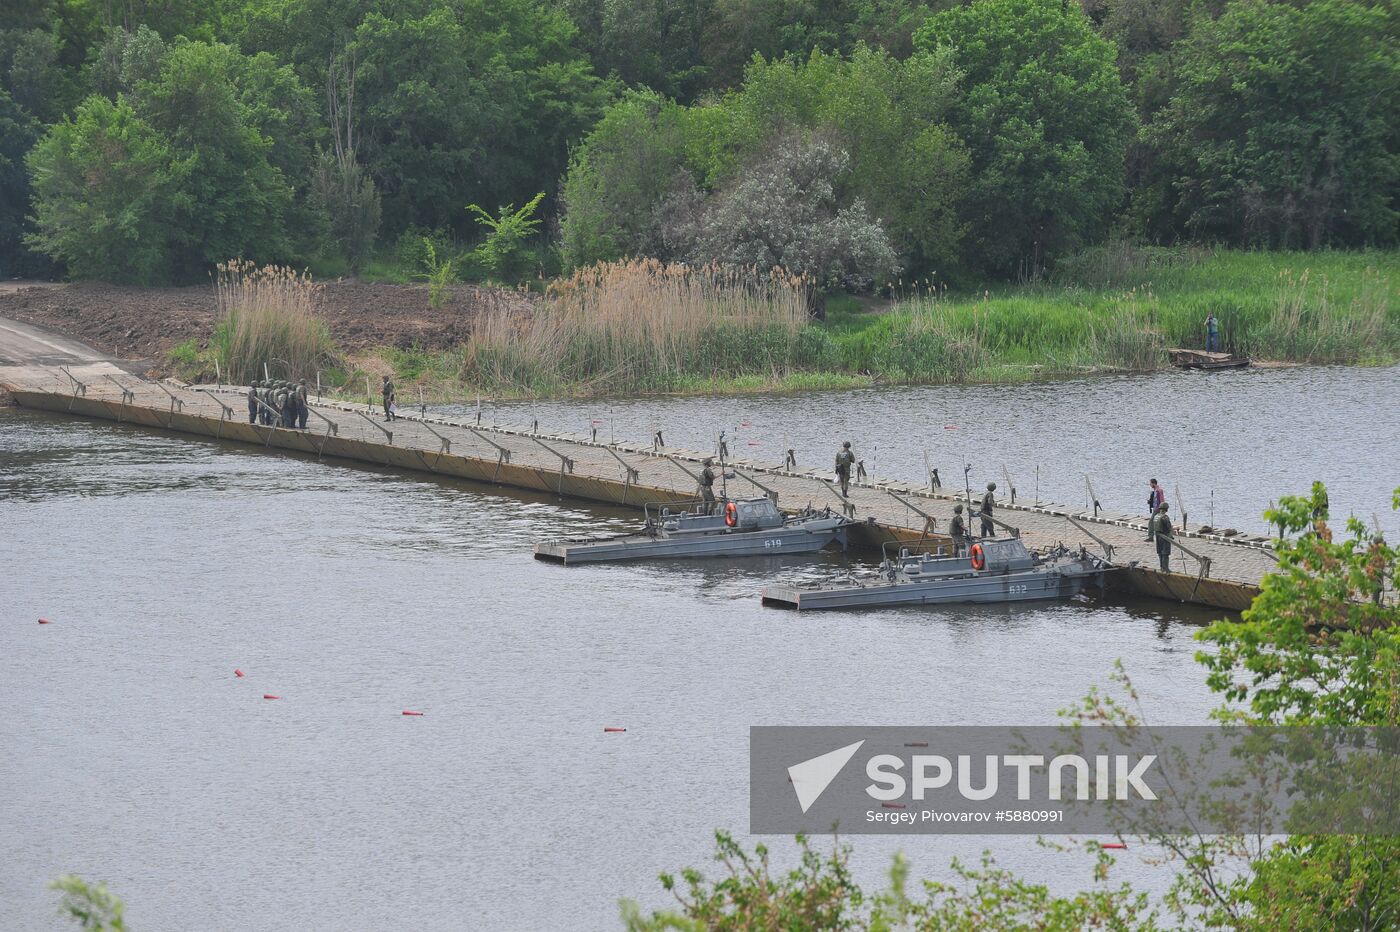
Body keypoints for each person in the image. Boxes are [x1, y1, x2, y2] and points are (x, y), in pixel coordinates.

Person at [1152, 502, 1174, 571]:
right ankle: (1166, 568)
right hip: (1165, 537)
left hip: (1158, 536)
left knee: (1160, 552)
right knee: (1165, 553)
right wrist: (1171, 536)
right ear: (1166, 509)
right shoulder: (1165, 517)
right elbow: (1169, 528)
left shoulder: (1156, 516)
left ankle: (1161, 567)